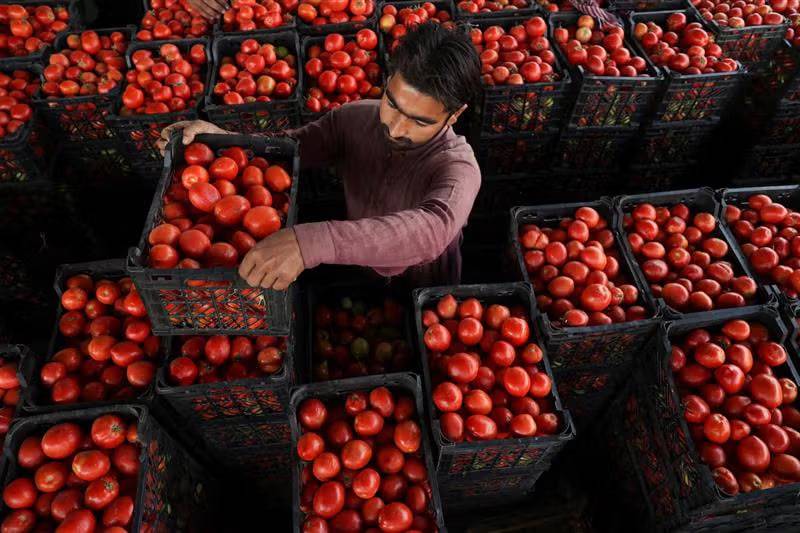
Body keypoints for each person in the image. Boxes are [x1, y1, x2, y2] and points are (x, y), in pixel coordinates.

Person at [158, 22, 482, 290]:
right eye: (392, 103)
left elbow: (431, 229)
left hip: (425, 284)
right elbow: (292, 148)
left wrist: (313, 242)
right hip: (354, 260)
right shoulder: (355, 119)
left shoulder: (458, 167)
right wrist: (222, 140)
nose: (396, 128)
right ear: (387, 81)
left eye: (420, 121)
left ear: (454, 115)